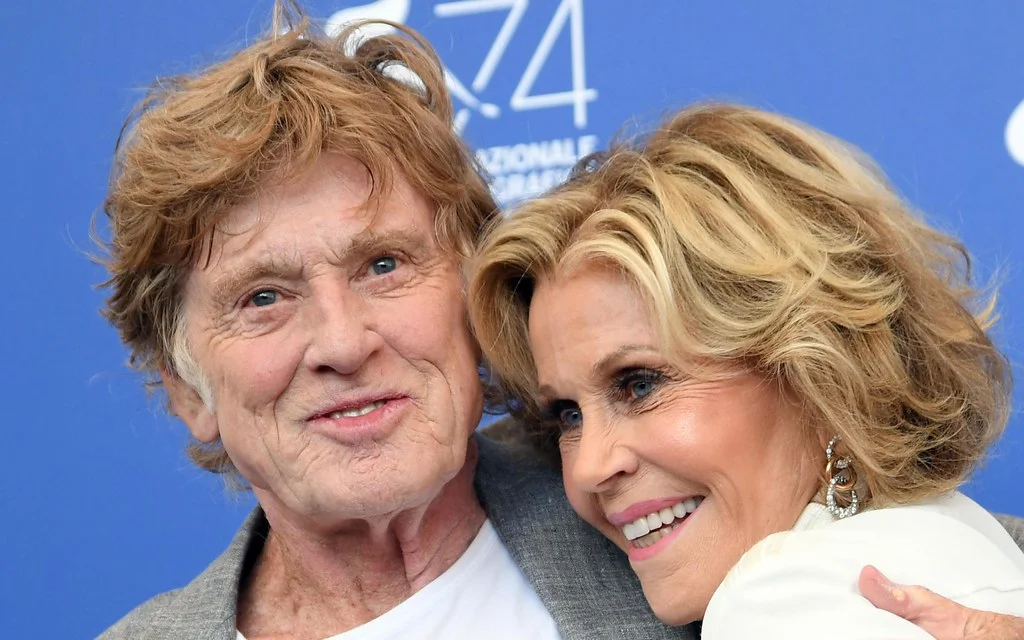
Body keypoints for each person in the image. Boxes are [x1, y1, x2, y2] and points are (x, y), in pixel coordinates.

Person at [96, 1, 1024, 637]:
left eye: (384, 265)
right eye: (263, 298)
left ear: (465, 297)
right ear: (185, 388)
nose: (342, 342)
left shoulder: (670, 513)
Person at [468, 103, 1024, 638]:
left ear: (816, 373)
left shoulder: (772, 605)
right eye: (569, 415)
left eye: (639, 385)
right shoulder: (965, 536)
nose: (590, 469)